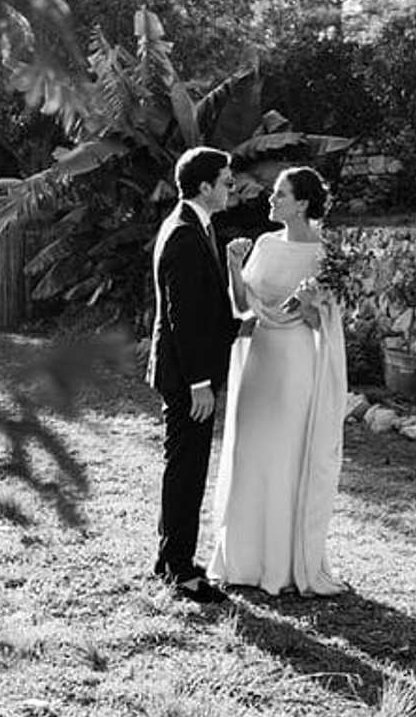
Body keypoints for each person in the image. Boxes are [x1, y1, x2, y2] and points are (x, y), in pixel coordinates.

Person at [207, 166, 349, 597]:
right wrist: (233, 264)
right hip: (261, 358)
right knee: (251, 453)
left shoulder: (327, 255)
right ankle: (244, 560)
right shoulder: (266, 245)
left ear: (302, 203)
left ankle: (283, 563)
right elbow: (241, 305)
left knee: (285, 456)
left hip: (296, 362)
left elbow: (325, 323)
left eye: (280, 194)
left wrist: (309, 303)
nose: (271, 199)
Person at [146, 146, 239, 603]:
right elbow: (183, 317)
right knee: (186, 471)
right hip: (187, 377)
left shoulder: (195, 225)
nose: (232, 188)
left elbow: (205, 305)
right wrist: (200, 382)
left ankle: (171, 558)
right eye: (226, 181)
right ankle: (180, 571)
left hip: (187, 371)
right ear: (205, 186)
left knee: (184, 467)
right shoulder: (184, 234)